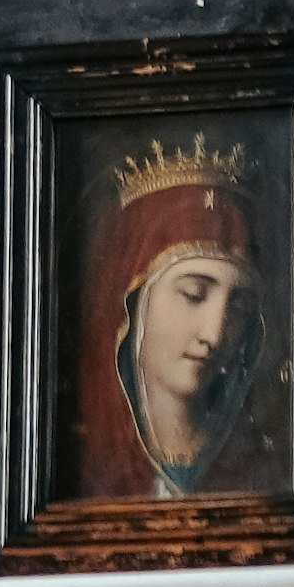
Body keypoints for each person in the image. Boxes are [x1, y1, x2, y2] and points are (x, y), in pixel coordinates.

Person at [70, 146, 276, 499]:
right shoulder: (85, 466)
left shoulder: (265, 466)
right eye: (193, 294)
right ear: (133, 302)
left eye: (239, 307)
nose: (213, 334)